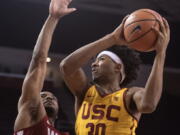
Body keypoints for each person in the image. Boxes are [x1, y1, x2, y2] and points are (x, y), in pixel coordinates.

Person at [60, 16, 170, 135]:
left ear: (117, 67)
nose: (93, 65)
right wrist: (111, 38)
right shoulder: (84, 91)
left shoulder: (130, 95)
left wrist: (160, 54)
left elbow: (149, 104)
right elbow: (66, 66)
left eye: (101, 59)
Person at [13, 0, 76, 134]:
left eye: (53, 98)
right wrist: (53, 18)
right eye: (43, 96)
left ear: (59, 112)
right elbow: (39, 60)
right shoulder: (30, 109)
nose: (48, 98)